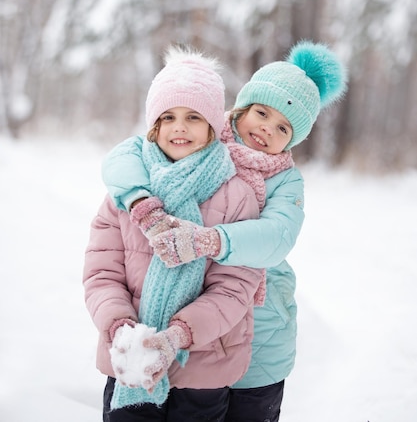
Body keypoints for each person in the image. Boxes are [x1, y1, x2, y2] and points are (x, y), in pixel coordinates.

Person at [102, 40, 347, 422]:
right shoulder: (202, 135)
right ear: (241, 108)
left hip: (261, 322)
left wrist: (207, 241)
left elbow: (277, 235)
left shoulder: (285, 180)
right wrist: (140, 203)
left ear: (294, 138)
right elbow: (127, 156)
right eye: (262, 113)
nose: (266, 129)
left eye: (283, 127)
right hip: (194, 322)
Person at [83, 46, 266, 422]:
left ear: (214, 126)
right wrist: (119, 326)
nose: (178, 127)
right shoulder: (127, 193)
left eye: (193, 117)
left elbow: (235, 287)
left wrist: (178, 336)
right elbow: (101, 273)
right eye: (168, 117)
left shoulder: (236, 196)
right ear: (154, 125)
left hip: (204, 368)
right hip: (131, 361)